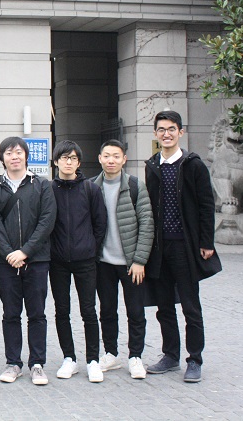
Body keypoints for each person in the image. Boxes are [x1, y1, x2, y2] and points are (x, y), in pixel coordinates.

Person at [144, 110, 219, 383]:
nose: (166, 134)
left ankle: (194, 359)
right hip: (159, 248)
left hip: (185, 247)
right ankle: (170, 355)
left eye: (171, 129)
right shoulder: (152, 166)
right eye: (162, 129)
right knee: (164, 305)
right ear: (156, 134)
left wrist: (206, 242)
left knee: (190, 305)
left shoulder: (193, 165)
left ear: (180, 132)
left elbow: (206, 205)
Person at [0, 137, 56, 386]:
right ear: (2, 158)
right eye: (8, 153)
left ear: (26, 156)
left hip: (37, 260)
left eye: (18, 152)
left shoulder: (42, 185)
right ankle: (13, 363)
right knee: (10, 313)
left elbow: (47, 221)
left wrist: (25, 252)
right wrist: (9, 253)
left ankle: (37, 363)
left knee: (37, 313)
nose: (14, 156)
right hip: (6, 262)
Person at [92, 139, 154, 379]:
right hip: (103, 263)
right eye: (107, 156)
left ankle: (135, 356)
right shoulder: (92, 187)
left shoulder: (136, 186)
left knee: (135, 311)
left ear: (124, 159)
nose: (111, 160)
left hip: (131, 264)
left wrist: (139, 260)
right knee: (107, 310)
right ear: (100, 158)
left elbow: (147, 224)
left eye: (116, 156)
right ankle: (110, 353)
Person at [49, 140, 107, 383]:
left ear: (79, 162)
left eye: (73, 158)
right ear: (56, 161)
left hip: (85, 260)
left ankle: (93, 360)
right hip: (57, 261)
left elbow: (100, 224)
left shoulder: (90, 189)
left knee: (88, 310)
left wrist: (90, 248)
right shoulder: (48, 190)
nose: (68, 162)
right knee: (62, 310)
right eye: (64, 157)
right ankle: (69, 358)